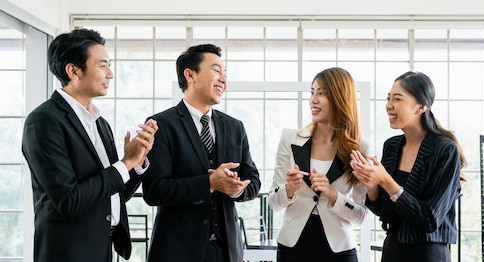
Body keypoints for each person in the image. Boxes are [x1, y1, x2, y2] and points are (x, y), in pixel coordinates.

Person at [21, 28, 158, 262]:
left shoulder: (100, 122)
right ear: (73, 70)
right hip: (68, 253)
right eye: (103, 65)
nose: (111, 74)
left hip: (103, 248)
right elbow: (70, 200)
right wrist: (125, 163)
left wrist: (136, 163)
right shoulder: (43, 120)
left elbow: (110, 193)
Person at [142, 43, 261, 262]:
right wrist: (209, 183)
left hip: (227, 251)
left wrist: (236, 190)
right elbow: (154, 191)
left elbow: (253, 180)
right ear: (190, 75)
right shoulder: (161, 125)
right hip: (178, 250)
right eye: (216, 71)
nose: (224, 79)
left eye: (225, 73)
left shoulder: (235, 127)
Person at [349, 71, 466, 262]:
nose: (389, 105)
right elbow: (385, 212)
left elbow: (430, 220)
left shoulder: (445, 150)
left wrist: (385, 180)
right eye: (388, 98)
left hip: (428, 254)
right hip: (392, 250)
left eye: (397, 98)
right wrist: (371, 186)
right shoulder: (392, 146)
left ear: (420, 107)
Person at [268, 67, 371, 262]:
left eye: (321, 93)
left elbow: (362, 216)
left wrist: (333, 195)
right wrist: (289, 189)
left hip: (339, 249)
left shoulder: (361, 149)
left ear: (340, 98)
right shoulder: (290, 139)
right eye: (312, 92)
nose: (313, 100)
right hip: (293, 247)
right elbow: (273, 202)